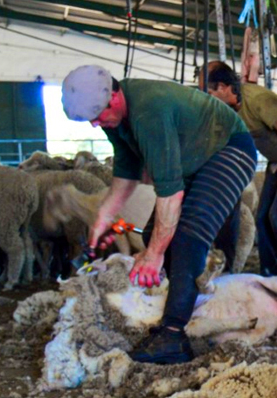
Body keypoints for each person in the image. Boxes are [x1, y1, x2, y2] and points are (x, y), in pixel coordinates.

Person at [61, 65, 256, 365]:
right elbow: (125, 177)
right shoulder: (118, 120)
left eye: (97, 116)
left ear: (113, 97)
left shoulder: (147, 112)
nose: (96, 125)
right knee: (155, 236)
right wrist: (101, 221)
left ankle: (174, 334)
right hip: (196, 156)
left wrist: (153, 256)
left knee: (186, 238)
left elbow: (170, 194)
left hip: (229, 149)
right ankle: (174, 305)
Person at [203, 61, 277, 281]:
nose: (207, 98)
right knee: (262, 219)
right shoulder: (228, 110)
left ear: (222, 87)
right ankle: (272, 276)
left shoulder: (258, 100)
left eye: (209, 92)